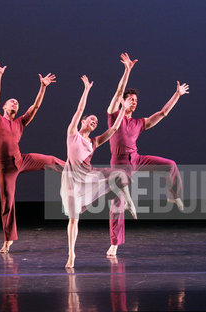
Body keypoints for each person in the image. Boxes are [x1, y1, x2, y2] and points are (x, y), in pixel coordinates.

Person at [106, 54, 190, 256]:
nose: (134, 102)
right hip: (119, 165)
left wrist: (177, 95)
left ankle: (174, 196)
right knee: (118, 203)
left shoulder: (138, 123)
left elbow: (162, 113)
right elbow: (118, 92)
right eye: (131, 99)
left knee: (170, 165)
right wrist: (127, 71)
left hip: (136, 160)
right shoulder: (113, 116)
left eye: (136, 100)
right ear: (123, 102)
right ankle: (115, 244)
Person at [0, 60, 65, 253]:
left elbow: (35, 107)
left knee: (50, 160)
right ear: (4, 107)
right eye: (12, 101)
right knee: (8, 202)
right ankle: (8, 240)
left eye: (17, 102)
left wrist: (42, 87)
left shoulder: (20, 123)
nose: (15, 103)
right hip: (6, 167)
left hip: (21, 160)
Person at [62, 75, 136, 268]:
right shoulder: (73, 133)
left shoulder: (93, 142)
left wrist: (122, 110)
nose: (94, 122)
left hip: (88, 176)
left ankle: (128, 202)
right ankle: (72, 254)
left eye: (96, 122)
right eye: (91, 120)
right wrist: (86, 89)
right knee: (73, 219)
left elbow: (113, 130)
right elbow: (79, 110)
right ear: (83, 122)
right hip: (72, 180)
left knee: (118, 175)